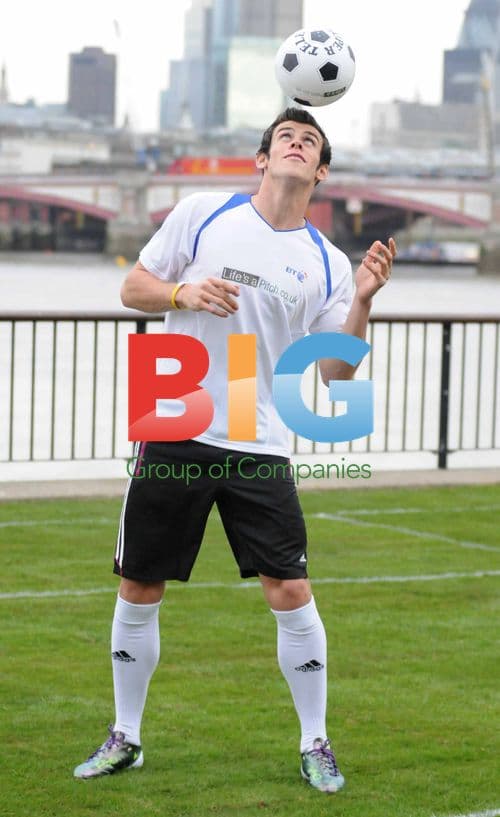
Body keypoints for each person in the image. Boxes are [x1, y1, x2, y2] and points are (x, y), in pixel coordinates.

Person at [73, 107, 396, 793]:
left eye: (309, 141)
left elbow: (336, 374)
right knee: (140, 583)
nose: (296, 143)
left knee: (292, 588)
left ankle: (316, 741)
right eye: (286, 136)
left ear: (322, 169)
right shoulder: (202, 214)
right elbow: (132, 287)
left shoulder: (327, 263)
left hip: (260, 438)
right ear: (262, 158)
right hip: (175, 419)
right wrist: (180, 290)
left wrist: (363, 300)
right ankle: (125, 735)